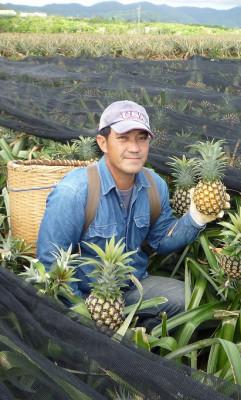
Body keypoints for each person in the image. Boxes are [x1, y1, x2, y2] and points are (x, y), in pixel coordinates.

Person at [37, 100, 229, 330]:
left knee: (188, 300)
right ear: (103, 142)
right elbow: (51, 262)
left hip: (132, 287)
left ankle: (138, 340)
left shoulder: (154, 184)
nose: (135, 148)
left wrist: (197, 217)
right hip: (87, 295)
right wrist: (84, 312)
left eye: (141, 138)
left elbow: (163, 241)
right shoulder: (74, 191)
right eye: (123, 138)